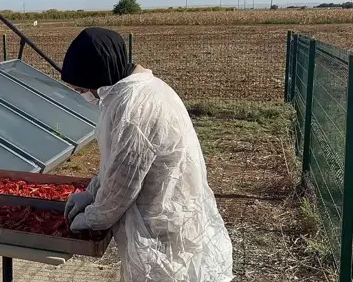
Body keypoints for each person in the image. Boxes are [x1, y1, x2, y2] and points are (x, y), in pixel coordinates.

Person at [61, 27, 233, 282]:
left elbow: (123, 186)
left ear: (97, 75)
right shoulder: (138, 90)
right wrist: (93, 191)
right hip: (168, 217)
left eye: (83, 88)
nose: (86, 95)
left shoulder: (134, 107)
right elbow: (116, 163)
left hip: (163, 227)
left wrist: (91, 218)